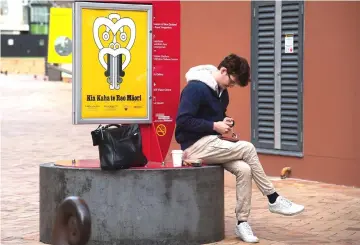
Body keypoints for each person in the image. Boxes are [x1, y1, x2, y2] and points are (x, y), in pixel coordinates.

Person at [175, 54, 305, 243]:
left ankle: (242, 222)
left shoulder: (222, 93)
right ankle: (273, 198)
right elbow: (183, 120)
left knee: (244, 170)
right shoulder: (194, 88)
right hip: (193, 147)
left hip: (213, 144)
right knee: (248, 148)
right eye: (231, 82)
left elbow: (217, 117)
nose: (231, 87)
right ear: (223, 70)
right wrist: (214, 126)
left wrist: (226, 121)